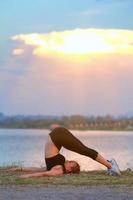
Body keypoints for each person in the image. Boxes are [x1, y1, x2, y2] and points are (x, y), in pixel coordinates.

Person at [17, 127, 121, 178]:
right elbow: (41, 171)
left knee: (84, 150)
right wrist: (20, 170)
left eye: (72, 163)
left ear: (70, 169)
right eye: (73, 163)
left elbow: (43, 173)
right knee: (83, 149)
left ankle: (111, 165)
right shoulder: (59, 168)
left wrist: (24, 173)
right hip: (57, 136)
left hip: (57, 136)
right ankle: (110, 165)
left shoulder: (58, 169)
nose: (70, 161)